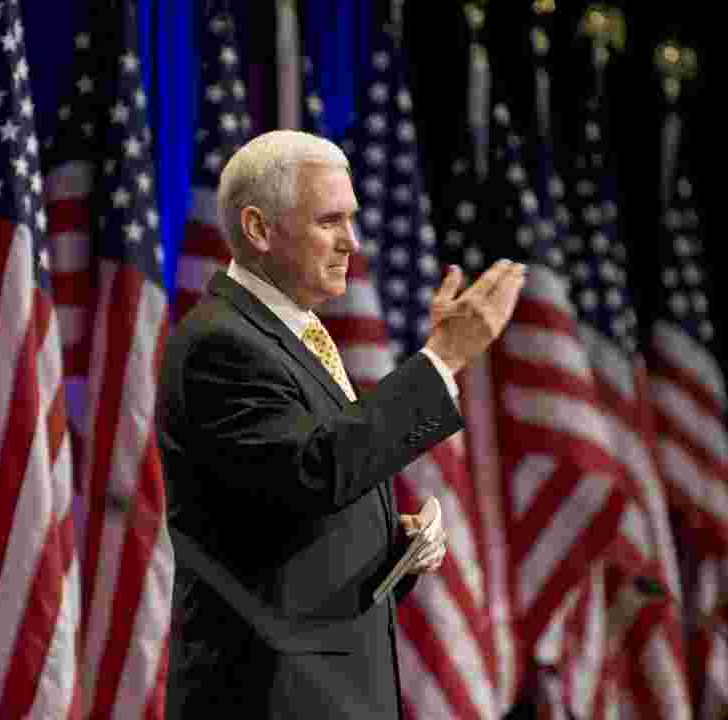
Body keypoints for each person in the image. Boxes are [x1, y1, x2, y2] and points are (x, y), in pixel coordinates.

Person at [158, 129, 526, 719]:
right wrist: (444, 358)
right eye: (329, 221)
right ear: (258, 229)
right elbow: (317, 472)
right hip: (267, 700)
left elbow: (288, 511)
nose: (351, 242)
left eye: (351, 220)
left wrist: (388, 541)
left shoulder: (292, 335)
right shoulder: (220, 343)